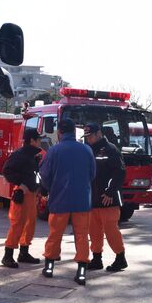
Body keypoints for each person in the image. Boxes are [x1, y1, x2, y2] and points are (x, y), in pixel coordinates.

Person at [39, 118, 96, 286]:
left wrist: (52, 190)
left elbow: (45, 175)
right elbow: (92, 174)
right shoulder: (86, 150)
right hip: (82, 200)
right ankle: (82, 271)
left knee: (55, 234)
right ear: (75, 131)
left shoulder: (54, 150)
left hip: (59, 200)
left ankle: (49, 266)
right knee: (82, 235)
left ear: (59, 133)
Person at [83, 123, 128, 272]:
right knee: (94, 230)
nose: (88, 139)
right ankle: (96, 259)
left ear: (98, 134)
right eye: (86, 137)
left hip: (108, 199)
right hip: (93, 199)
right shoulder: (88, 150)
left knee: (111, 230)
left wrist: (110, 192)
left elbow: (119, 172)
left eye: (90, 136)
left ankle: (120, 258)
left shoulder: (111, 149)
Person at [0, 129, 43, 268]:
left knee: (29, 225)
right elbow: (6, 171)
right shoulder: (19, 155)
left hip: (31, 194)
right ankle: (7, 256)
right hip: (22, 194)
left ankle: (23, 253)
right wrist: (21, 184)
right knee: (18, 224)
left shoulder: (33, 155)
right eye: (38, 139)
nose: (40, 141)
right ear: (32, 140)